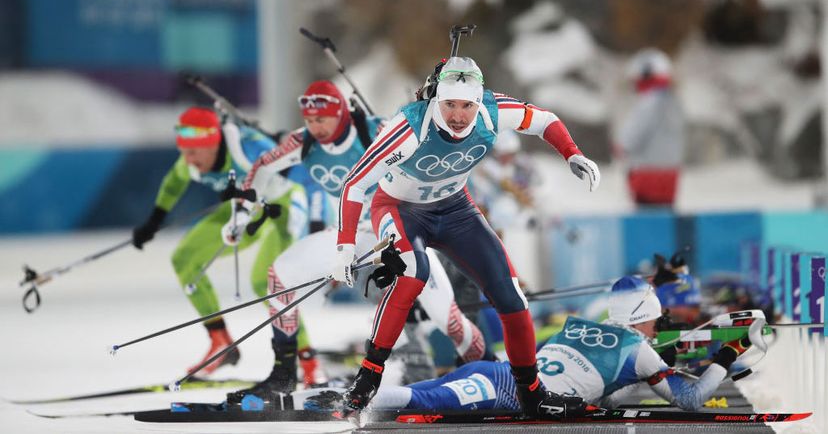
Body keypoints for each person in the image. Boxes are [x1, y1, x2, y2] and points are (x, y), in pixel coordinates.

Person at [331, 56, 601, 419]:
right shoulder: (408, 126)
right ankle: (368, 376)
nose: (459, 115)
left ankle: (532, 394)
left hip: (456, 208)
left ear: (479, 100)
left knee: (513, 297)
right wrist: (345, 246)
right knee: (413, 274)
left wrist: (572, 153)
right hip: (400, 208)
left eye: (467, 105)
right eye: (450, 105)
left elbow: (545, 120)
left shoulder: (492, 110)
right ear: (435, 100)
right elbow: (355, 183)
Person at [229, 80, 488, 402]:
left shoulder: (375, 129)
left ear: (340, 113)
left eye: (322, 119)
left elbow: (434, 150)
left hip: (397, 226)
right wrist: (242, 211)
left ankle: (486, 371)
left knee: (447, 319)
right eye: (310, 120)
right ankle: (283, 375)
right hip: (347, 234)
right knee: (278, 275)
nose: (316, 127)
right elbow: (262, 168)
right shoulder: (303, 141)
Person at [301, 276, 757, 413]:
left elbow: (613, 384)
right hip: (511, 392)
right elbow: (692, 400)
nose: (659, 328)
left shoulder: (580, 325)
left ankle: (326, 398)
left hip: (503, 374)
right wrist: (728, 355)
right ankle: (331, 406)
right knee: (415, 400)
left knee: (424, 397)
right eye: (656, 320)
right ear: (643, 317)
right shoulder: (641, 353)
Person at [132, 107, 322, 377]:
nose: (188, 159)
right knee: (185, 259)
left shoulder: (249, 148)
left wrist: (316, 223)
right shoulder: (190, 159)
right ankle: (221, 343)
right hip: (246, 209)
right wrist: (154, 220)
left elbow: (305, 177)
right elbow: (174, 182)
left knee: (266, 280)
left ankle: (308, 361)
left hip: (284, 206)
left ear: (213, 144)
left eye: (194, 152)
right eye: (184, 152)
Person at [616, 48, 685, 208]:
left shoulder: (649, 102)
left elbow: (630, 139)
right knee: (664, 218)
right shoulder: (674, 102)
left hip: (646, 175)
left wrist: (621, 147)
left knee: (647, 222)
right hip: (671, 174)